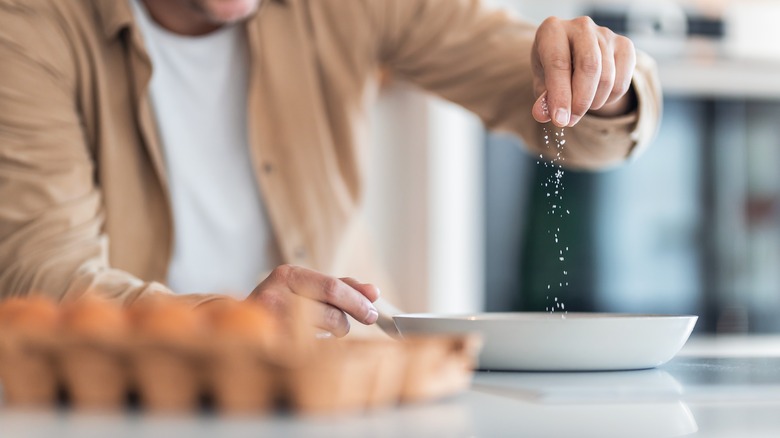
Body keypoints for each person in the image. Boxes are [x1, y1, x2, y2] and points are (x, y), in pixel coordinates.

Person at [0, 0, 660, 337]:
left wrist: (603, 79)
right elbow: (39, 274)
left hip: (332, 398)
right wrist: (231, 326)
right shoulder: (30, 26)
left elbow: (578, 128)